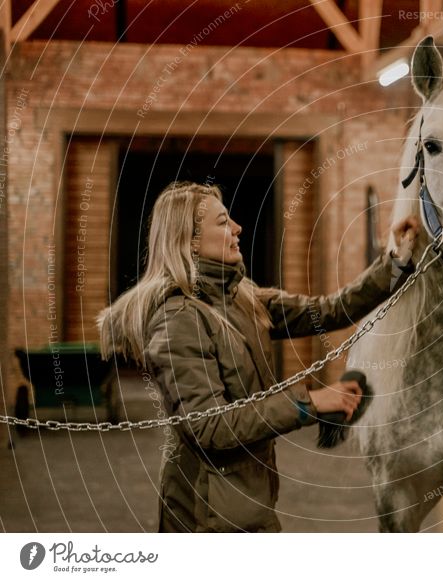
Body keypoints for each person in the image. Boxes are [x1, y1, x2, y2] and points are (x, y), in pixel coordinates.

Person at [97, 181, 420, 532]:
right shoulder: (177, 319)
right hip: (204, 516)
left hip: (244, 502)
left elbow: (326, 311)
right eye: (222, 223)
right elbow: (210, 426)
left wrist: (394, 264)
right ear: (188, 241)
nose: (237, 228)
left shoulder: (242, 297)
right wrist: (308, 403)